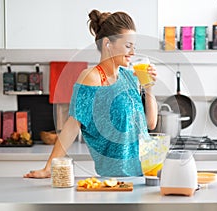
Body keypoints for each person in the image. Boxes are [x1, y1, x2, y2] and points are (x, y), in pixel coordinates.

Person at [24, 9, 158, 178]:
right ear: (108, 44)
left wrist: (149, 87)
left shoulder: (129, 77)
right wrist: (48, 168)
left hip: (146, 176)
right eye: (127, 46)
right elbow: (73, 125)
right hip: (116, 180)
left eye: (134, 47)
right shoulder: (91, 78)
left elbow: (150, 124)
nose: (132, 52)